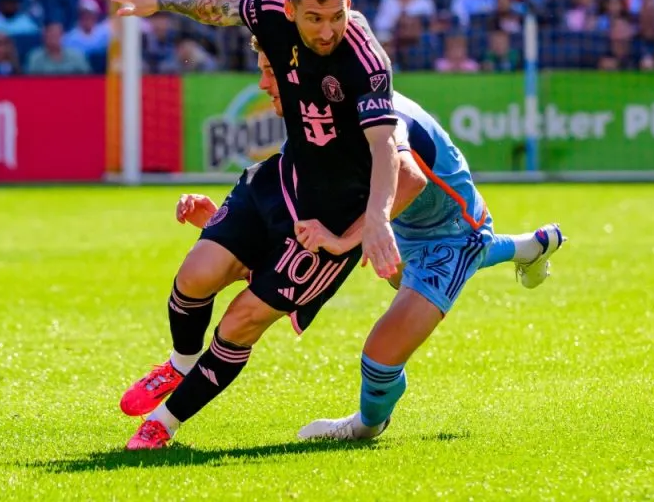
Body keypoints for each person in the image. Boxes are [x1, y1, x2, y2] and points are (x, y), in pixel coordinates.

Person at [173, 44, 566, 443]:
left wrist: (348, 240)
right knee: (403, 279)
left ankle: (366, 424)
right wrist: (225, 229)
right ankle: (530, 246)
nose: (263, 84)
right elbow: (296, 196)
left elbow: (411, 180)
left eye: (270, 73)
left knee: (379, 356)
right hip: (396, 221)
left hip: (449, 232)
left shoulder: (373, 114)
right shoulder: (320, 109)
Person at [110, 0, 407, 448]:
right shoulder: (270, 11)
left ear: (348, 2)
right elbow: (219, 7)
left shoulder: (367, 59)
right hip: (281, 178)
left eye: (337, 16)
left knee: (241, 320)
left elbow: (386, 150)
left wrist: (375, 220)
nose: (328, 30)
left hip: (331, 219)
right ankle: (180, 365)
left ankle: (163, 424)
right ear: (290, 10)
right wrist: (161, 1)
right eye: (314, 18)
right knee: (196, 274)